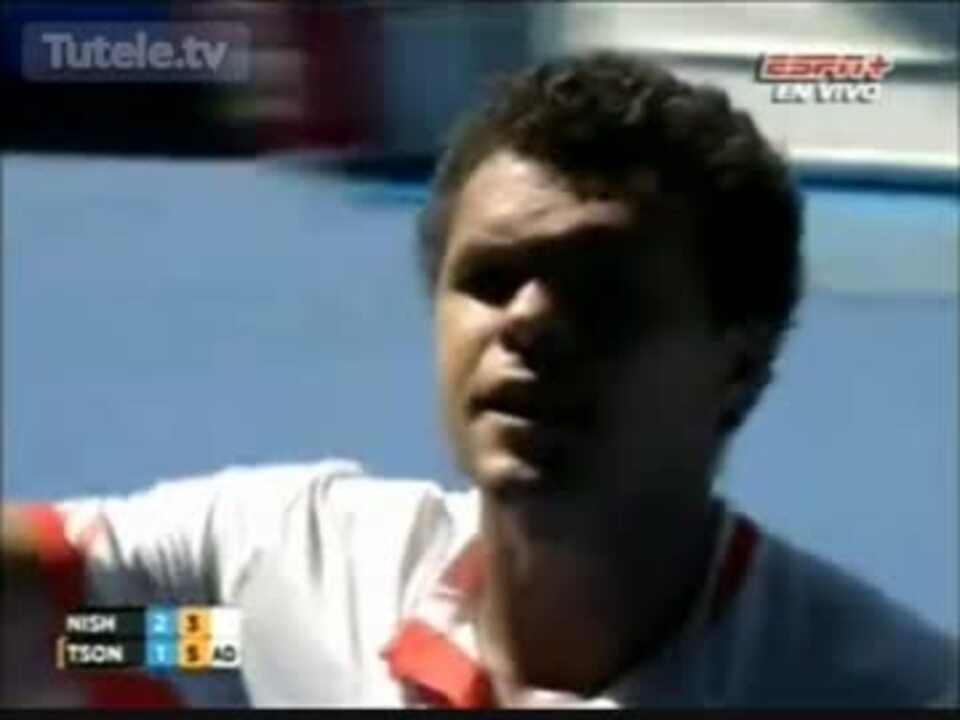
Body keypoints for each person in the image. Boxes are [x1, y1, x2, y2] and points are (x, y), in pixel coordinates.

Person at [2, 50, 956, 709]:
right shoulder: (278, 601)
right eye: (490, 280)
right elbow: (114, 635)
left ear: (737, 366)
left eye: (602, 290)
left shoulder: (879, 693)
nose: (527, 321)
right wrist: (148, 645)